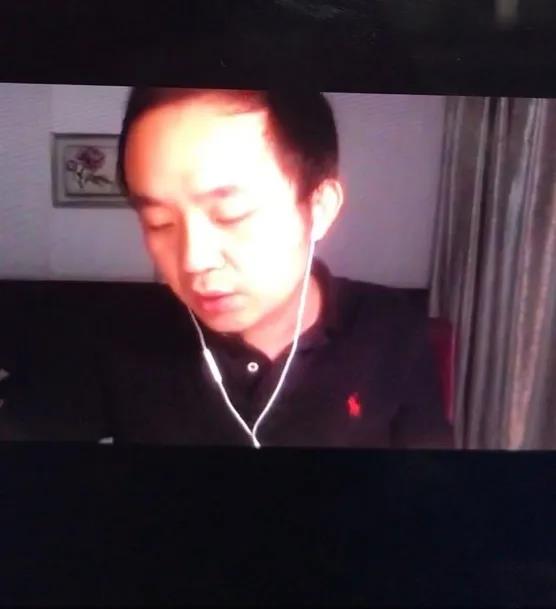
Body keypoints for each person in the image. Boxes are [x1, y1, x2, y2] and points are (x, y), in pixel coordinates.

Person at [94, 85, 452, 448]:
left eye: (231, 215)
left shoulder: (393, 331)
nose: (194, 260)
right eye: (159, 223)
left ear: (319, 208)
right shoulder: (115, 338)